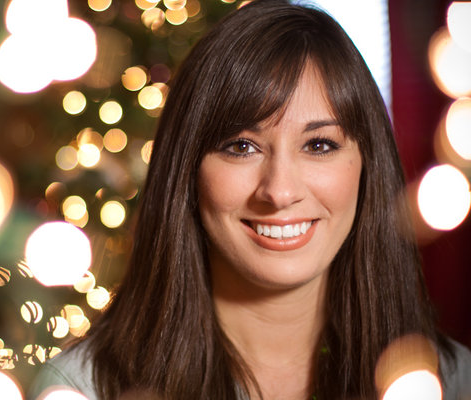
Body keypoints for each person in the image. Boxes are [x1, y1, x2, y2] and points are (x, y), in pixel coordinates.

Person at [29, 1, 471, 399]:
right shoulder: (79, 390)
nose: (280, 191)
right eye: (242, 147)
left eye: (318, 145)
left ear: (367, 165)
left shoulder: (451, 384)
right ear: (187, 169)